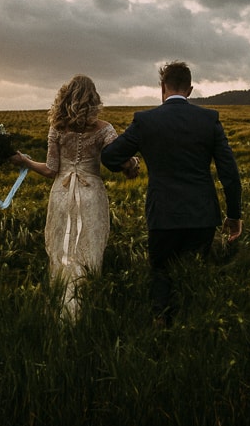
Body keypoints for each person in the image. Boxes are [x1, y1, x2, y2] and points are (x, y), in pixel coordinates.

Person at [101, 61, 242, 327]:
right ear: (190, 89)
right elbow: (230, 174)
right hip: (202, 215)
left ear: (162, 87)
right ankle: (193, 326)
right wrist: (234, 216)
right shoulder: (209, 119)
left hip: (163, 213)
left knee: (161, 273)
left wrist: (129, 164)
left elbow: (109, 156)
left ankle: (160, 326)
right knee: (193, 274)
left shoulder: (145, 121)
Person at [11, 75, 139, 320]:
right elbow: (120, 158)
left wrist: (25, 161)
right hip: (91, 194)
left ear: (65, 97)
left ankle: (61, 308)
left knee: (63, 250)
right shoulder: (105, 129)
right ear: (94, 99)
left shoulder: (57, 129)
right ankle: (85, 307)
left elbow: (50, 170)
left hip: (61, 193)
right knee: (88, 249)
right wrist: (133, 164)